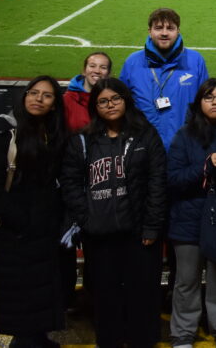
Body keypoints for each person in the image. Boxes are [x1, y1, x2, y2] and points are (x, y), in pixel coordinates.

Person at [61, 78, 167, 348]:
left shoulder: (145, 135)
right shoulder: (83, 140)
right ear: (95, 107)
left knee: (142, 292)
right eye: (103, 101)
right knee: (105, 293)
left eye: (116, 99)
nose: (110, 105)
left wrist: (151, 225)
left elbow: (157, 182)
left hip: (139, 232)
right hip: (100, 233)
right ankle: (109, 340)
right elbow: (71, 184)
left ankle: (142, 340)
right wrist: (87, 220)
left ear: (125, 100)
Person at [0, 75, 69, 347]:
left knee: (40, 292)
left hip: (45, 230)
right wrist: (22, 222)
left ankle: (37, 338)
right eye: (33, 92)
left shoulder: (52, 131)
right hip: (17, 233)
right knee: (20, 293)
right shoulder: (5, 129)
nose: (38, 99)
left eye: (46, 95)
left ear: (54, 104)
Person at [167, 79, 216, 348]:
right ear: (199, 102)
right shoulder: (184, 136)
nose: (215, 102)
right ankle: (182, 334)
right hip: (188, 219)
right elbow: (173, 178)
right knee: (186, 281)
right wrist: (205, 166)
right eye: (209, 97)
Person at [119, 8, 208, 151]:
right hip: (143, 148)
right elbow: (122, 106)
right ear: (150, 31)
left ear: (178, 31)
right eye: (158, 28)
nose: (164, 33)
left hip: (185, 147)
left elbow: (204, 105)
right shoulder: (132, 62)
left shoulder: (195, 61)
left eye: (170, 28)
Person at [63, 51, 113, 133]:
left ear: (108, 73)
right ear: (84, 70)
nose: (97, 71)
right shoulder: (67, 99)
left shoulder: (114, 101)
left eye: (103, 67)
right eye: (92, 66)